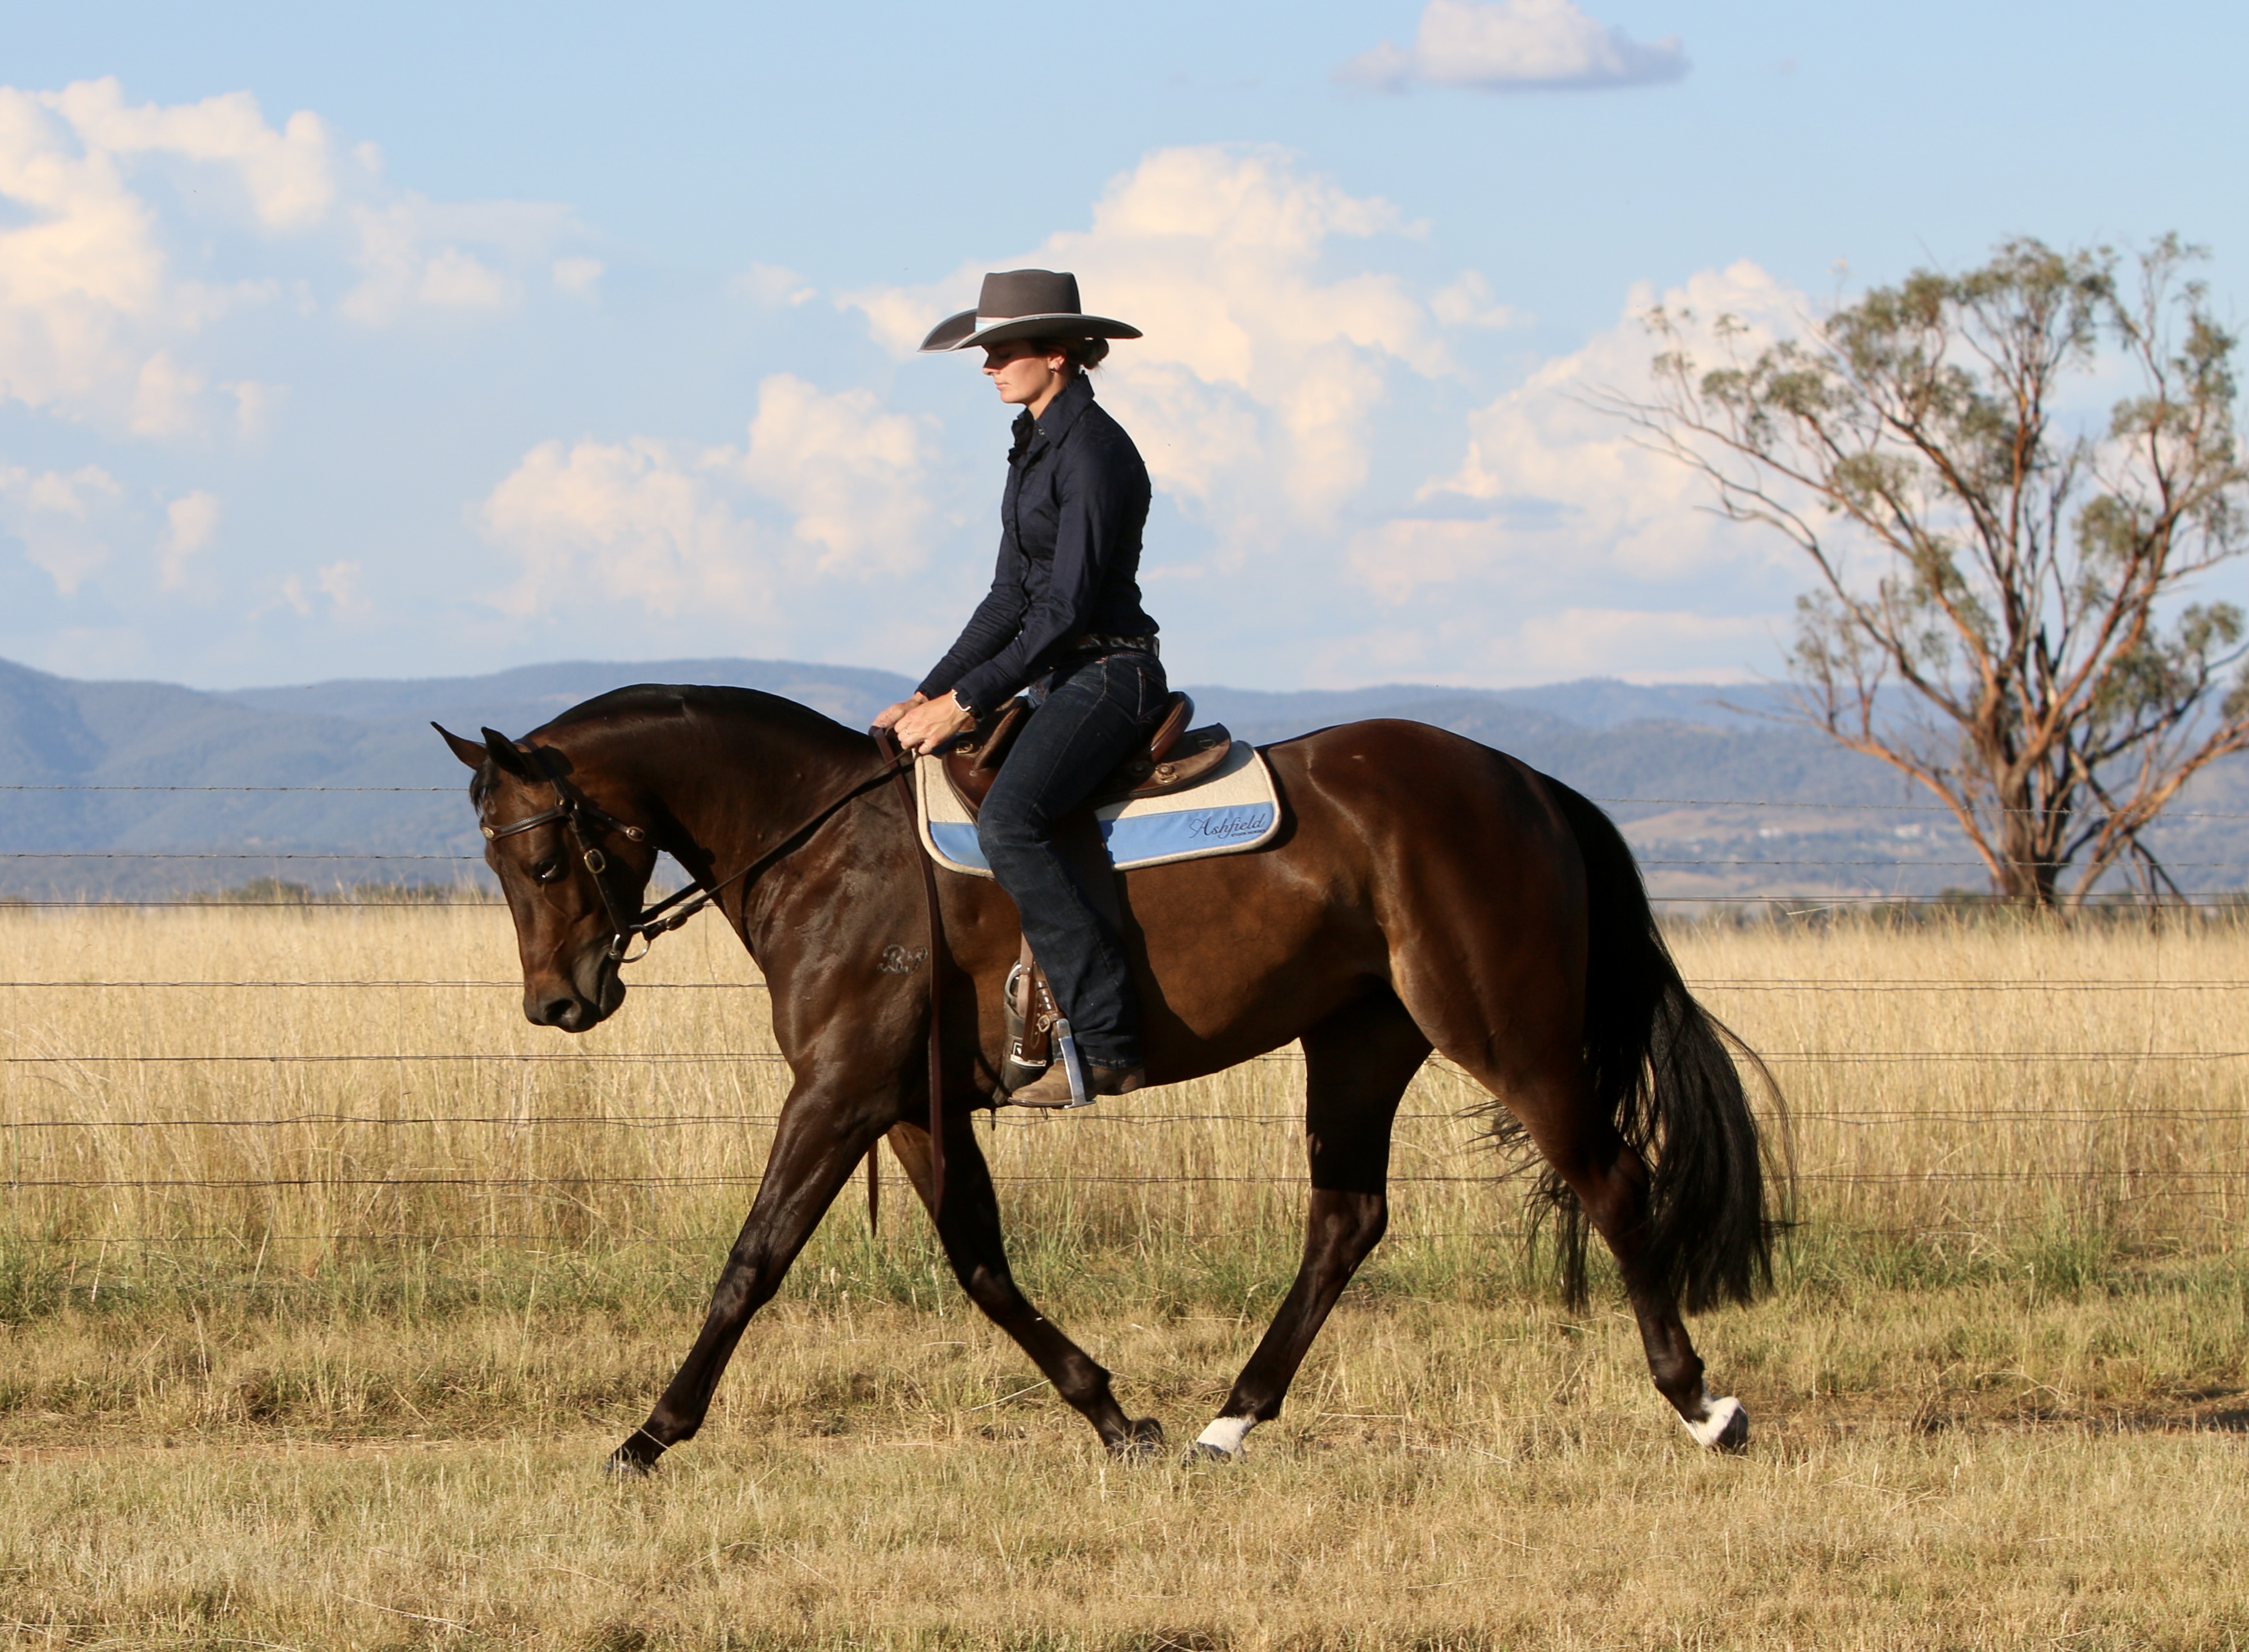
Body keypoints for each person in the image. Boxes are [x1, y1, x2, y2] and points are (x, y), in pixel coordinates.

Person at [876, 269, 1164, 1105]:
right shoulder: (1034, 445)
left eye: (1003, 350)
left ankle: (1107, 1042)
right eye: (987, 351)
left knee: (1011, 822)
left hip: (1109, 673)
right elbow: (1009, 599)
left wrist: (965, 703)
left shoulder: (1095, 451)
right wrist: (926, 694)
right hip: (1056, 674)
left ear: (1059, 353)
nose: (988, 365)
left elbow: (1065, 609)